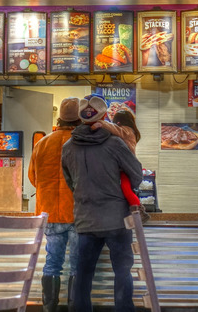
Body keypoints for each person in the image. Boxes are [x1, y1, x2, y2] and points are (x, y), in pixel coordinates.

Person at [61, 94, 143, 312]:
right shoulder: (115, 143)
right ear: (105, 116)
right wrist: (122, 188)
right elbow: (136, 173)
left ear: (80, 118)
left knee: (83, 273)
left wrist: (86, 194)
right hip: (117, 220)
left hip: (85, 220)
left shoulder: (68, 147)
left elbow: (70, 181)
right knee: (122, 271)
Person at [28, 97, 82, 312]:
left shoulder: (42, 143)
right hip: (78, 213)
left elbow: (33, 177)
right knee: (77, 265)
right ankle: (74, 307)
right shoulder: (83, 142)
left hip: (49, 211)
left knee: (52, 263)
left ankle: (49, 307)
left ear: (59, 119)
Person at [91, 109, 150, 223]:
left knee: (126, 189)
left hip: (125, 167)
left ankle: (139, 211)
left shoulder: (127, 131)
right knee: (125, 189)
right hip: (124, 166)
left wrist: (101, 123)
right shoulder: (129, 131)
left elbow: (115, 129)